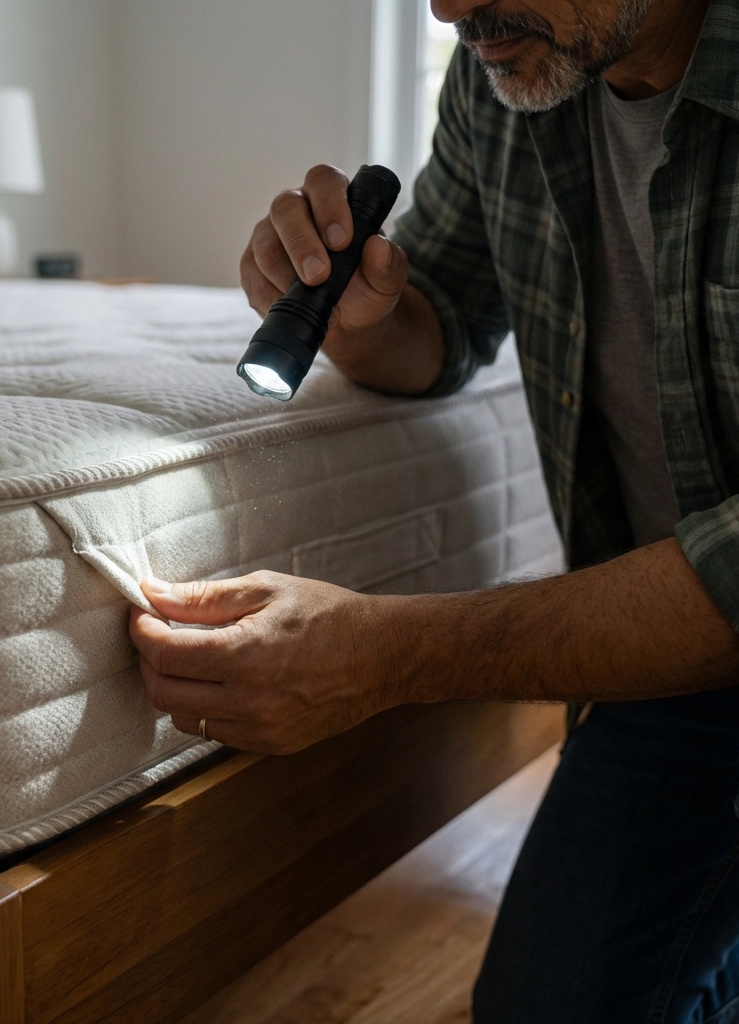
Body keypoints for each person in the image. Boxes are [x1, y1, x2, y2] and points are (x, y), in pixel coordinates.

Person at [129, 0, 739, 1019]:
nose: (448, 7)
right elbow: (442, 321)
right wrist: (360, 322)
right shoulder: (513, 63)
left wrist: (388, 654)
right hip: (680, 676)